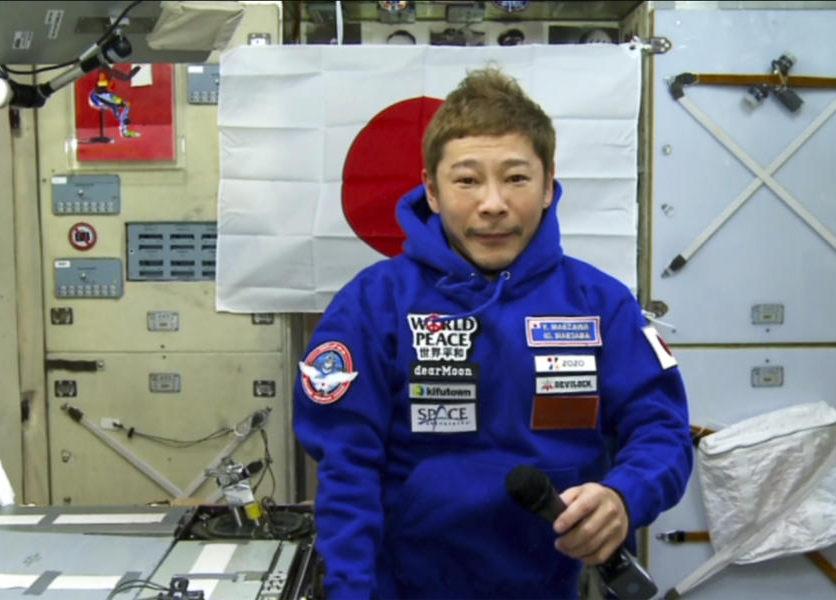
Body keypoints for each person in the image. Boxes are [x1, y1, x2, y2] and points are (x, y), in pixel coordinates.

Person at [294, 66, 692, 600]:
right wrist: (351, 592)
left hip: (552, 585)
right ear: (432, 192)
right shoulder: (373, 306)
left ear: (549, 187)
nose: (493, 204)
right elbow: (348, 471)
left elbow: (662, 431)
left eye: (516, 178)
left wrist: (624, 497)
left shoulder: (601, 305)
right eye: (466, 180)